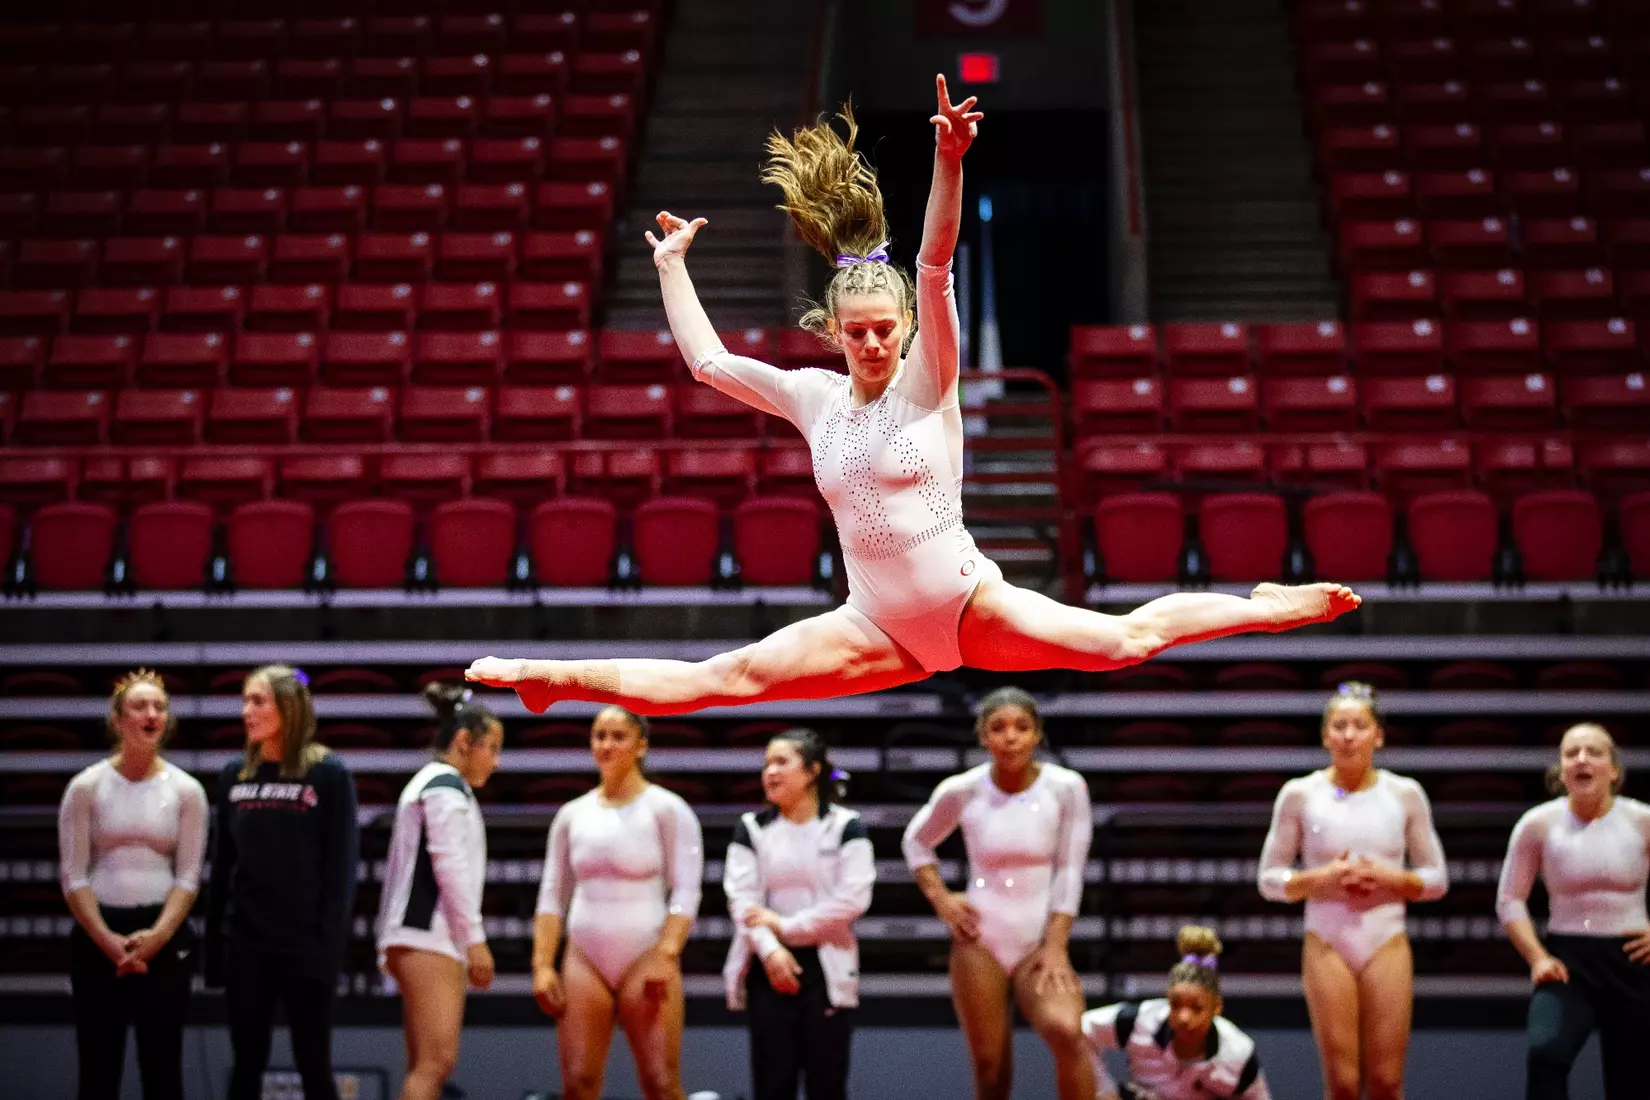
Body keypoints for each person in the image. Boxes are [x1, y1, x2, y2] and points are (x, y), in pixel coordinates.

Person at [464, 75, 1360, 717]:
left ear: (903, 325)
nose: (873, 342)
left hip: (970, 603)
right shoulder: (813, 398)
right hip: (873, 623)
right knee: (716, 684)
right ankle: (552, 675)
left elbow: (932, 262)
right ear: (834, 328)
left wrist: (948, 161)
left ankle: (1260, 606)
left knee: (1121, 644)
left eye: (885, 328)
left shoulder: (931, 381)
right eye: (856, 331)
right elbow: (707, 363)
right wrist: (671, 269)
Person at [1256, 681, 1448, 1100]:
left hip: (1385, 939)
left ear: (1378, 735)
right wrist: (1318, 879)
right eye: (1339, 725)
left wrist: (1391, 878)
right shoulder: (1300, 794)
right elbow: (1269, 878)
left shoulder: (1404, 794)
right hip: (1327, 940)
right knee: (1342, 1085)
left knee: (1386, 1082)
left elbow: (1437, 879)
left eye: (1359, 725)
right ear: (1325, 735)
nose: (1348, 735)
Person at [903, 687, 1094, 1100]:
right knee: (990, 1069)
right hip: (981, 938)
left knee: (1068, 1032)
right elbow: (916, 842)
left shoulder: (1066, 787)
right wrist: (941, 898)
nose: (1010, 737)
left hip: (1039, 940)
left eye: (1022, 727)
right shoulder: (962, 789)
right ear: (983, 737)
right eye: (998, 728)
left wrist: (1057, 944)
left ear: (1037, 734)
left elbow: (1070, 868)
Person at [533, 706, 704, 1100]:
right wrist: (542, 964)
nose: (606, 745)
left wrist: (666, 952)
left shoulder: (668, 809)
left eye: (618, 736)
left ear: (641, 745)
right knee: (578, 1083)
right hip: (583, 957)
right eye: (599, 736)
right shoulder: (571, 814)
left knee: (661, 1083)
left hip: (646, 953)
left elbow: (687, 889)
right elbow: (552, 895)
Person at [206, 665, 360, 1100]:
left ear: (288, 709)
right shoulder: (233, 775)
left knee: (315, 1066)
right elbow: (221, 867)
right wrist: (215, 952)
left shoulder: (328, 773)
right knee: (246, 1067)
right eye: (244, 701)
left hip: (306, 945)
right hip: (247, 944)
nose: (246, 711)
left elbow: (341, 869)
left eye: (258, 701)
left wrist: (329, 949)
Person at [58, 669, 208, 1100]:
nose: (151, 714)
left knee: (163, 1069)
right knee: (98, 1069)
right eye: (140, 706)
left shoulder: (187, 790)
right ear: (119, 719)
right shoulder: (86, 787)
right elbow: (73, 875)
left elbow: (189, 875)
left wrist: (158, 937)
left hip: (163, 935)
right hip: (98, 934)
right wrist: (107, 941)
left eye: (159, 706)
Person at [1496, 722, 1650, 1100]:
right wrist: (1536, 958)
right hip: (1567, 961)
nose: (1582, 759)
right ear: (1561, 769)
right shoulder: (1538, 824)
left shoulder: (1642, 820)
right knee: (1546, 1052)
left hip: (1633, 958)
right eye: (1571, 753)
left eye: (1593, 752)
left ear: (1613, 770)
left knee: (1633, 1076)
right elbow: (1509, 899)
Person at [723, 727, 874, 1100]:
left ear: (811, 772)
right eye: (766, 764)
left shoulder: (846, 826)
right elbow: (742, 900)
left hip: (826, 968)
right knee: (772, 1085)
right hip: (768, 966)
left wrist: (787, 926)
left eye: (781, 762)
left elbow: (854, 898)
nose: (770, 772)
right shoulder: (751, 828)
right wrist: (772, 950)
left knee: (827, 1085)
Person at [377, 684, 504, 1100]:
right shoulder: (444, 786)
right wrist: (476, 941)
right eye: (492, 747)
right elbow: (450, 866)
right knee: (435, 1063)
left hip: (413, 934)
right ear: (464, 741)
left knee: (424, 1065)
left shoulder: (433, 784)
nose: (496, 761)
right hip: (428, 936)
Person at [1081, 925, 1272, 1100]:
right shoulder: (1138, 1021)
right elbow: (1081, 1030)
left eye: (1196, 1008)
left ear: (1216, 1007)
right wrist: (1104, 1090)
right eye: (1175, 1004)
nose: (1184, 1018)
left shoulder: (1238, 1053)